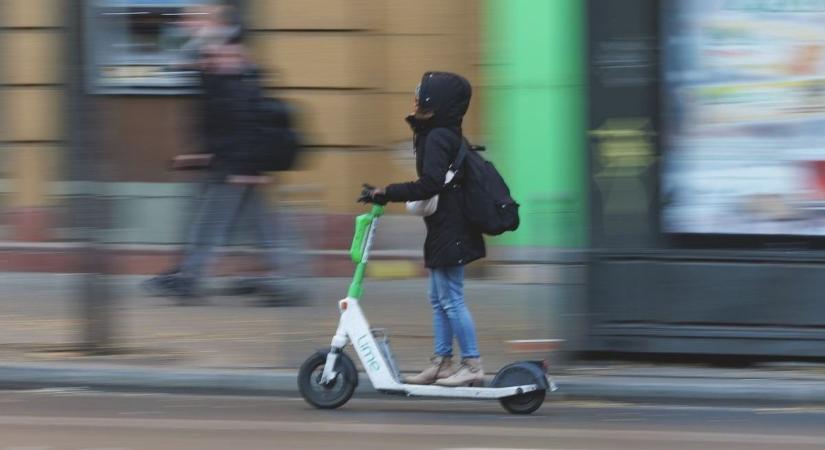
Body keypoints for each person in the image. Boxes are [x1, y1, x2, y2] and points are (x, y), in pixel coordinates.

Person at [143, 32, 295, 305]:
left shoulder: (239, 87)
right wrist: (197, 158)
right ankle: (284, 279)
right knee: (261, 228)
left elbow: (245, 132)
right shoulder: (225, 84)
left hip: (235, 169)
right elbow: (220, 131)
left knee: (209, 226)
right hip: (233, 167)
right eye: (209, 56)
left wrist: (245, 171)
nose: (212, 60)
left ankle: (190, 279)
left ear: (239, 57)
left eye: (221, 55)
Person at [361, 72, 486, 387]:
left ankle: (472, 363)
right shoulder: (440, 133)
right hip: (445, 225)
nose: (415, 98)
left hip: (452, 227)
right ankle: (443, 362)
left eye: (421, 94)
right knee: (438, 296)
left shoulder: (438, 137)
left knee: (451, 297)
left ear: (436, 101)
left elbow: (430, 184)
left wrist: (386, 192)